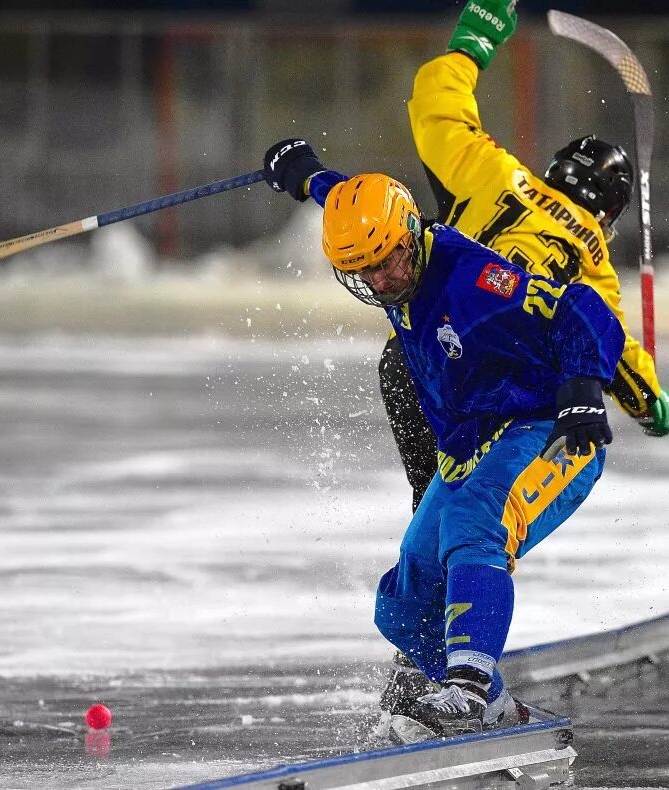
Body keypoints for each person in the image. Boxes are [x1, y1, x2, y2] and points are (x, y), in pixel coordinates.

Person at [262, 139, 625, 738]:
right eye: (364, 272)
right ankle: (501, 712)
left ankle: (468, 690)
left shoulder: (475, 281)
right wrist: (307, 177)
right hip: (472, 445)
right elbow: (350, 202)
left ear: (410, 234)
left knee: (475, 523)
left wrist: (585, 387)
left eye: (388, 262)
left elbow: (581, 306)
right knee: (403, 603)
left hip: (547, 432)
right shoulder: (387, 245)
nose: (381, 281)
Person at [376, 0, 669, 512]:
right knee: (483, 503)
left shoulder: (495, 174)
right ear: (611, 209)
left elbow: (434, 103)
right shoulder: (591, 250)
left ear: (554, 171)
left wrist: (473, 43)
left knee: (404, 367)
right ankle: (463, 539)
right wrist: (649, 400)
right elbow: (609, 344)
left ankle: (431, 516)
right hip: (506, 395)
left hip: (427, 355)